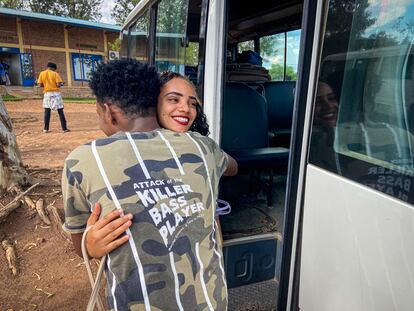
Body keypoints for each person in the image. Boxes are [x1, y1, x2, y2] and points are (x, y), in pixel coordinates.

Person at [62, 60, 237, 310]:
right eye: (173, 100)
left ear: (107, 110)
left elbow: (81, 244)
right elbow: (232, 166)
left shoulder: (82, 160)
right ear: (153, 105)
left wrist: (89, 245)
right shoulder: (204, 147)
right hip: (211, 301)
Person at [37, 62, 70, 133]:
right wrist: (60, 84)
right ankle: (64, 128)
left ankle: (45, 129)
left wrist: (46, 86)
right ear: (53, 68)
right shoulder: (55, 74)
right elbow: (58, 84)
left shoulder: (42, 73)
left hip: (47, 94)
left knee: (47, 111)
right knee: (60, 111)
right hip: (56, 94)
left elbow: (40, 85)